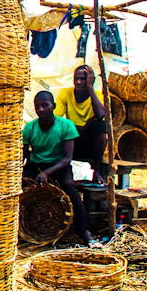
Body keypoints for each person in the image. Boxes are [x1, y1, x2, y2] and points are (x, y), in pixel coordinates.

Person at [23, 90, 100, 247]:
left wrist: (47, 173)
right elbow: (23, 156)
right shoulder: (30, 128)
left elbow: (67, 158)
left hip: (59, 165)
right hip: (36, 165)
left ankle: (86, 233)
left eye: (45, 105)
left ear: (54, 106)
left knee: (70, 189)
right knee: (20, 187)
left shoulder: (66, 126)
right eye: (37, 106)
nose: (41, 110)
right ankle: (20, 230)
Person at [55, 64, 107, 182]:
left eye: (83, 79)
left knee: (100, 125)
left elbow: (100, 115)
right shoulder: (66, 93)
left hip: (90, 144)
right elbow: (56, 117)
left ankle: (97, 171)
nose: (78, 82)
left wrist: (90, 87)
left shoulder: (97, 95)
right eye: (76, 79)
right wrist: (74, 127)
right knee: (60, 128)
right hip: (72, 141)